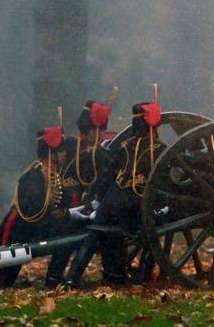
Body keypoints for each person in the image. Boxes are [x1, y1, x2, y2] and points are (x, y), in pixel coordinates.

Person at [64, 99, 164, 288]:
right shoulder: (160, 150)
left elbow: (106, 175)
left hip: (111, 200)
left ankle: (72, 279)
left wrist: (99, 200)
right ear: (154, 126)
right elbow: (167, 183)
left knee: (96, 233)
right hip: (137, 204)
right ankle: (141, 282)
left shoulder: (124, 146)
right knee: (154, 231)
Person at [43, 98, 115, 288]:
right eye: (101, 131)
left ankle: (53, 276)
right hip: (75, 211)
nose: (102, 135)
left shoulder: (68, 145)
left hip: (61, 209)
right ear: (93, 130)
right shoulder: (95, 154)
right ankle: (112, 275)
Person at [0, 125, 74, 287]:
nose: (64, 154)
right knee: (0, 279)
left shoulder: (51, 174)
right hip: (17, 229)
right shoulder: (34, 174)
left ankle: (54, 278)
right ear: (50, 152)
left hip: (30, 229)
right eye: (60, 150)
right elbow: (33, 208)